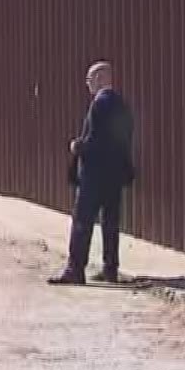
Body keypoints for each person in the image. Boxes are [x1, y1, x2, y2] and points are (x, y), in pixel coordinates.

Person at [49, 60, 136, 286]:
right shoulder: (121, 104)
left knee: (82, 221)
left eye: (89, 80)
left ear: (99, 79)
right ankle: (110, 269)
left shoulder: (99, 104)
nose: (87, 85)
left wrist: (78, 146)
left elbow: (97, 141)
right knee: (110, 222)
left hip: (94, 175)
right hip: (114, 175)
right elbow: (122, 140)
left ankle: (75, 269)